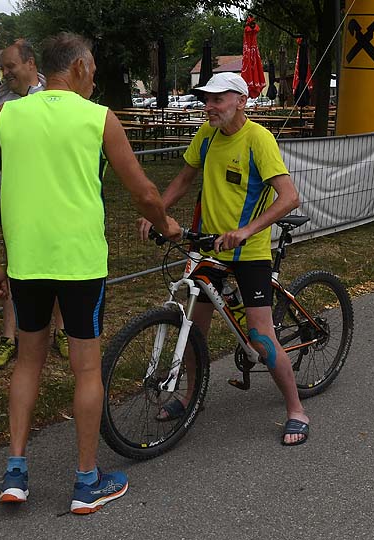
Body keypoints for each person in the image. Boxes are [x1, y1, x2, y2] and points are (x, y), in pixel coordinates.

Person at [0, 33, 182, 514]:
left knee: (27, 363)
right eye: (94, 70)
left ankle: (15, 472)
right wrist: (166, 224)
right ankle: (86, 481)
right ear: (79, 67)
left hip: (26, 263)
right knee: (86, 370)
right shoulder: (98, 117)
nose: (95, 79)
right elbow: (143, 192)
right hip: (81, 264)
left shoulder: (8, 115)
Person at [137, 72, 309, 446]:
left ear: (241, 102)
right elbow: (184, 179)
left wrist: (246, 231)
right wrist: (157, 213)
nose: (209, 107)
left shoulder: (258, 139)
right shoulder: (207, 135)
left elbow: (289, 197)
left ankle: (296, 410)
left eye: (217, 99)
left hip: (249, 252)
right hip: (209, 247)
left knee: (260, 337)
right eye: (207, 100)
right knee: (194, 330)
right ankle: (191, 398)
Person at [0, 39, 70, 369]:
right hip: (14, 197)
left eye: (10, 66)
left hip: (55, 195)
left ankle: (62, 331)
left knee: (59, 263)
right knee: (15, 266)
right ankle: (9, 337)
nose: (5, 73)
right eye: (2, 68)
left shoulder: (57, 94)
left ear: (30, 64)